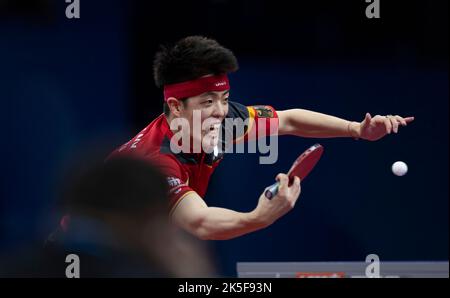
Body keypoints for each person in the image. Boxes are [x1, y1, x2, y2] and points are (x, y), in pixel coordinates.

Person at [109, 36, 414, 241]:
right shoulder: (156, 163)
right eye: (207, 102)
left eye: (224, 98)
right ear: (176, 106)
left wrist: (356, 129)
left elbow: (290, 119)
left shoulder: (221, 122)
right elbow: (200, 222)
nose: (220, 111)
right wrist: (257, 218)